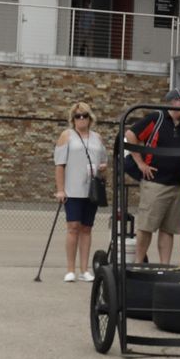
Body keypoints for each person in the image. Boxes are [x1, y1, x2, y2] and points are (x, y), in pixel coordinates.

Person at [125, 87, 180, 266]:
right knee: (146, 226)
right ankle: (138, 263)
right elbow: (130, 135)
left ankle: (164, 266)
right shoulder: (156, 119)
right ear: (173, 102)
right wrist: (141, 163)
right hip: (156, 183)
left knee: (168, 229)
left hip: (177, 185)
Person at [53, 101, 108, 282]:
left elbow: (104, 161)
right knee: (73, 227)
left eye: (84, 115)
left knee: (87, 228)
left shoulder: (97, 138)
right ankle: (70, 269)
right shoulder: (66, 136)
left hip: (91, 189)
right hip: (73, 189)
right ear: (73, 119)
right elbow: (59, 165)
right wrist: (60, 190)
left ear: (90, 118)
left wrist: (103, 167)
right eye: (78, 116)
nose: (81, 119)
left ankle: (85, 269)